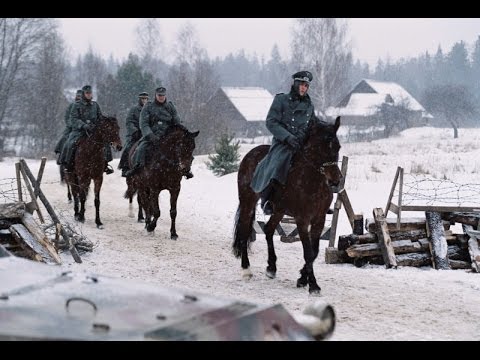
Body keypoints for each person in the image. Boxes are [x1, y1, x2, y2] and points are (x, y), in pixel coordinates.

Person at [250, 70, 316, 215]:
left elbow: (313, 125)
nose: (304, 88)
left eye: (307, 86)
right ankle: (267, 199)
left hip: (301, 144)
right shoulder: (281, 100)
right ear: (296, 84)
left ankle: (317, 200)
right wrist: (287, 137)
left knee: (317, 164)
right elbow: (271, 122)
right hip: (283, 143)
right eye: (302, 85)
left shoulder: (310, 106)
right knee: (278, 163)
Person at [125, 86, 194, 179]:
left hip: (168, 138)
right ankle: (137, 168)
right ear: (156, 95)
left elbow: (177, 122)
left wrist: (184, 133)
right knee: (141, 148)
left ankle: (185, 170)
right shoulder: (148, 107)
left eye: (163, 95)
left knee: (182, 149)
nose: (161, 97)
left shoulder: (170, 107)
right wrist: (150, 135)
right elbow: (143, 123)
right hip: (151, 136)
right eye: (159, 95)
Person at [59, 85, 114, 174]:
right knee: (70, 143)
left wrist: (107, 121)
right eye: (87, 93)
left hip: (93, 131)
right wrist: (83, 125)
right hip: (79, 131)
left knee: (105, 143)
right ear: (84, 94)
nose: (89, 95)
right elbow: (73, 119)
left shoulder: (95, 105)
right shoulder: (76, 105)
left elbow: (100, 117)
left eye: (90, 93)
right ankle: (68, 164)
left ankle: (105, 164)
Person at [118, 91, 149, 177]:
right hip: (135, 135)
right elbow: (129, 122)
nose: (144, 100)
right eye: (143, 99)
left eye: (146, 99)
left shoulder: (150, 110)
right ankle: (125, 167)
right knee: (128, 147)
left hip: (147, 134)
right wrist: (135, 131)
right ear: (139, 99)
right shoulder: (134, 109)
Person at [55, 89, 82, 162]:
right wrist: (73, 124)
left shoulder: (88, 106)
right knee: (65, 138)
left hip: (85, 128)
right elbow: (67, 117)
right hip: (72, 128)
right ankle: (62, 156)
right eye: (78, 96)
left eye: (80, 96)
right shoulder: (71, 106)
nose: (79, 98)